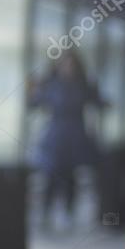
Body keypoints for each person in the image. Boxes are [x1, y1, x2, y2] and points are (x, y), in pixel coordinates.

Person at [28, 52, 105, 226]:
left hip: (75, 136)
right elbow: (34, 103)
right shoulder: (52, 85)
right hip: (55, 137)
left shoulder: (83, 85)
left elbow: (99, 102)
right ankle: (45, 213)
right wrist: (32, 90)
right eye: (65, 64)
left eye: (71, 65)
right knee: (51, 175)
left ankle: (68, 212)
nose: (68, 68)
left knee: (71, 176)